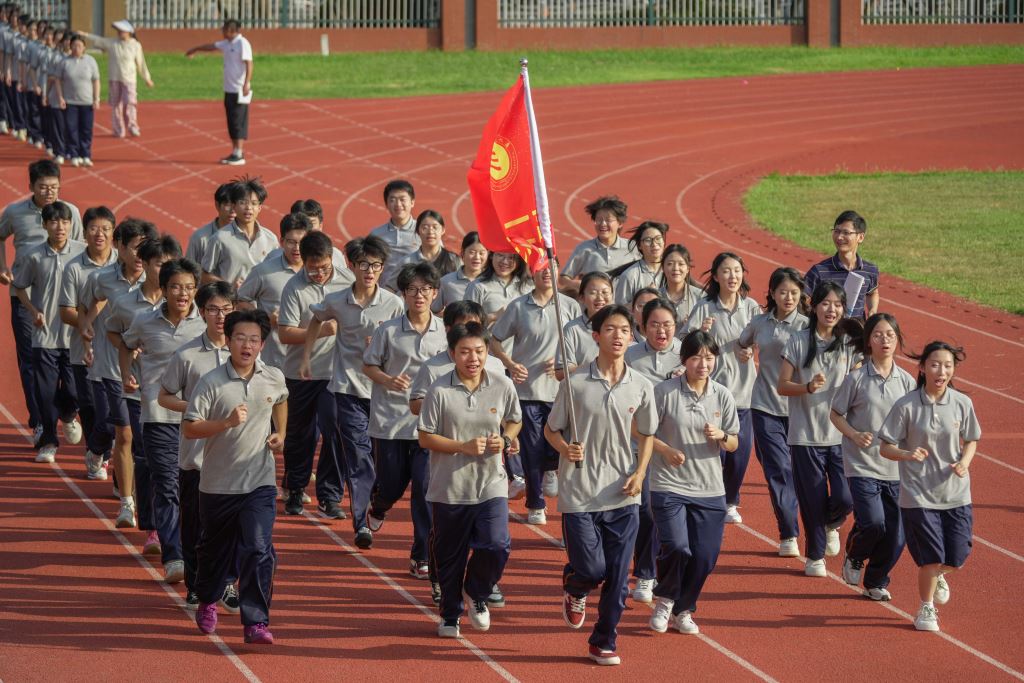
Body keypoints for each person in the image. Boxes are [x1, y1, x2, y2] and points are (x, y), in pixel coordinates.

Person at [544, 304, 657, 666]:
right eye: (610, 329)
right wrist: (565, 448)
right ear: (596, 336)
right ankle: (575, 585)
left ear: (631, 336)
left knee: (619, 578)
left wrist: (640, 473)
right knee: (593, 570)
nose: (618, 335)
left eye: (624, 329)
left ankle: (603, 640)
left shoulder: (641, 386)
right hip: (579, 492)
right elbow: (551, 430)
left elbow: (648, 434)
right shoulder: (575, 384)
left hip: (623, 494)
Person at [185, 309, 287, 645]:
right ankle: (207, 598)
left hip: (259, 481)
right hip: (217, 484)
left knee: (258, 548)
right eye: (240, 338)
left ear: (262, 344)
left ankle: (256, 622)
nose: (247, 345)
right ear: (228, 340)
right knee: (214, 552)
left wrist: (281, 433)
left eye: (254, 339)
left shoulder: (273, 376)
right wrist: (226, 423)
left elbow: (281, 400)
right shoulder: (211, 382)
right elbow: (190, 427)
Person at [420, 322, 523, 638]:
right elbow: (425, 437)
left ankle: (477, 591)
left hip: (491, 482)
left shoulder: (502, 384)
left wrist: (505, 439)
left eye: (479, 351)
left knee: (497, 543)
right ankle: (450, 614)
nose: (473, 358)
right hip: (450, 486)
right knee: (450, 557)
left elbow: (514, 420)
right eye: (465, 351)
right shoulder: (439, 390)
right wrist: (461, 447)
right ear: (452, 353)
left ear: (488, 351)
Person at [301, 235, 403, 546]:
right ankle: (361, 525)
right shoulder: (337, 300)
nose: (369, 271)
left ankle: (377, 504)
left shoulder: (393, 304)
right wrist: (306, 357)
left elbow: (403, 342)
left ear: (382, 268)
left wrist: (383, 347)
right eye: (363, 265)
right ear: (352, 266)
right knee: (358, 458)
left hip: (382, 393)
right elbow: (316, 320)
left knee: (384, 463)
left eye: (375, 265)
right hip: (347, 389)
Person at [879, 341, 980, 633]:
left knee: (957, 556)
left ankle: (939, 575)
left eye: (948, 366)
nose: (942, 371)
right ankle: (926, 607)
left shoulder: (962, 403)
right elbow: (885, 446)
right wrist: (907, 454)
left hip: (955, 492)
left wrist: (965, 462)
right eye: (935, 365)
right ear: (922, 368)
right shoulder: (906, 405)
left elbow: (971, 439)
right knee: (931, 557)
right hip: (918, 494)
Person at [647, 330, 739, 636]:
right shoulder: (664, 392)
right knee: (677, 546)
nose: (703, 364)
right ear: (684, 359)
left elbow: (734, 443)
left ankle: (683, 609)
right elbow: (642, 432)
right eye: (697, 357)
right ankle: (665, 599)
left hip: (709, 488)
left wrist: (722, 436)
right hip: (668, 483)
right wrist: (666, 450)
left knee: (705, 556)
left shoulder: (722, 395)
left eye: (709, 357)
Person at [121, 257, 206, 583]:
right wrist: (127, 373)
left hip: (197, 421)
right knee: (167, 486)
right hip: (158, 418)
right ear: (164, 289)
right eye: (175, 287)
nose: (182, 294)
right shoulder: (145, 321)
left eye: (188, 287)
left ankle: (196, 552)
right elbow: (125, 344)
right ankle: (174, 557)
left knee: (193, 490)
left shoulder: (206, 325)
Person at [362, 262, 448, 579]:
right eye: (412, 290)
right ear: (403, 294)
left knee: (424, 490)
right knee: (391, 484)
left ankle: (421, 555)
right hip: (390, 421)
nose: (418, 295)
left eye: (425, 289)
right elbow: (369, 366)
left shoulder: (445, 333)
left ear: (435, 293)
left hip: (428, 426)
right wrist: (388, 380)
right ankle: (379, 504)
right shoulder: (387, 330)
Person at [158, 281, 235, 609]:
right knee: (194, 526)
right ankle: (195, 583)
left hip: (234, 459)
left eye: (227, 309)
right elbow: (164, 395)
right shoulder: (187, 355)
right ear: (201, 312)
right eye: (214, 309)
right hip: (196, 458)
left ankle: (227, 582)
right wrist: (192, 406)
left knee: (231, 528)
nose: (221, 316)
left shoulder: (245, 352)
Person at [777, 282, 861, 577]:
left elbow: (859, 380)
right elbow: (782, 385)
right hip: (805, 436)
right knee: (812, 500)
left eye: (838, 304)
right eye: (826, 303)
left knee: (845, 497)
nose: (831, 310)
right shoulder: (798, 340)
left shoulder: (849, 343)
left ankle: (832, 523)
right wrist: (808, 387)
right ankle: (815, 557)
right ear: (814, 307)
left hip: (840, 435)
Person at [831, 313, 915, 601]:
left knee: (897, 534)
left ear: (898, 339)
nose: (884, 340)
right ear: (868, 341)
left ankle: (876, 580)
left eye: (890, 335)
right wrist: (854, 435)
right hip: (862, 464)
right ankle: (855, 555)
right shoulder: (856, 378)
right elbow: (836, 414)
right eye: (878, 335)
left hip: (895, 468)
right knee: (874, 522)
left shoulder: (907, 382)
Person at [105, 233, 180, 550]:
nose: (165, 269)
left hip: (180, 400)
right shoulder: (127, 304)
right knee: (148, 458)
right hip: (142, 394)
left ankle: (169, 527)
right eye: (159, 263)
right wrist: (128, 364)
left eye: (170, 263)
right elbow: (112, 331)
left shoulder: (185, 305)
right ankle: (153, 526)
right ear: (146, 265)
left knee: (177, 467)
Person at [79, 218, 156, 525]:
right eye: (134, 247)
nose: (139, 255)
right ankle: (127, 504)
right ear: (120, 247)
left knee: (142, 439)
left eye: (144, 248)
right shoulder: (103, 278)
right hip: (112, 367)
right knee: (124, 433)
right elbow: (89, 304)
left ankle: (125, 481)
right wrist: (86, 328)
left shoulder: (158, 280)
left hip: (149, 372)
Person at [0, 159, 83, 446]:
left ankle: (68, 412)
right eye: (43, 187)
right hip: (25, 298)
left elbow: (81, 252)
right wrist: (2, 266)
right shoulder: (15, 212)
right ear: (31, 186)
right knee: (30, 362)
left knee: (70, 361)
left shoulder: (70, 213)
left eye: (54, 187)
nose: (49, 192)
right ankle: (39, 422)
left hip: (63, 299)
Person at [491, 262, 581, 525]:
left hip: (562, 392)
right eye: (540, 268)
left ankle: (551, 468)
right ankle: (535, 504)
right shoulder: (519, 306)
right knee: (531, 449)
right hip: (528, 391)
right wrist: (510, 364)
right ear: (532, 272)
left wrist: (564, 362)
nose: (546, 272)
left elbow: (580, 343)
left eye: (551, 267)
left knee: (558, 448)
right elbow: (495, 340)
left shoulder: (570, 306)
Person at [277, 230, 352, 518]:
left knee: (336, 429)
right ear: (304, 262)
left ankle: (330, 496)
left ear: (332, 258)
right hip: (302, 373)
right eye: (313, 268)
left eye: (324, 267)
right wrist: (323, 330)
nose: (319, 273)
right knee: (301, 434)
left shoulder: (348, 280)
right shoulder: (294, 288)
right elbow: (285, 333)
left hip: (336, 372)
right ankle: (295, 488)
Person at [685, 252, 762, 525]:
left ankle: (730, 501)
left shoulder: (751, 307)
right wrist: (700, 332)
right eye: (726, 271)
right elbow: (684, 342)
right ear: (716, 276)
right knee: (712, 452)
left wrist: (751, 348)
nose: (733, 276)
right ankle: (710, 499)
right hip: (712, 393)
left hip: (744, 393)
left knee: (739, 454)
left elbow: (763, 338)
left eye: (737, 270)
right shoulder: (705, 307)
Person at [738, 267, 809, 558]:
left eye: (794, 292)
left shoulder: (808, 326)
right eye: (783, 292)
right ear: (772, 293)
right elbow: (742, 342)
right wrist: (743, 351)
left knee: (804, 474)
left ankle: (825, 524)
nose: (788, 297)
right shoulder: (759, 322)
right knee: (778, 470)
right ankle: (788, 532)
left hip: (800, 409)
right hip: (765, 406)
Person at [12, 201, 85, 463]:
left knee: (75, 391)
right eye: (54, 222)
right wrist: (33, 311)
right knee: (45, 392)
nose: (60, 227)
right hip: (44, 336)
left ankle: (68, 414)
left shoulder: (82, 252)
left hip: (75, 336)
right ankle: (49, 442)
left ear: (71, 224)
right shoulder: (33, 255)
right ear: (44, 225)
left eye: (65, 222)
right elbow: (19, 286)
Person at [622, 298, 683, 605]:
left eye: (667, 325)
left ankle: (666, 574)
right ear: (642, 327)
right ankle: (645, 574)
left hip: (677, 450)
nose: (661, 331)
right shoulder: (629, 356)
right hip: (639, 448)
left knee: (670, 518)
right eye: (654, 325)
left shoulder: (687, 354)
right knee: (646, 510)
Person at [59, 205, 118, 479]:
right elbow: (66, 311)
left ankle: (99, 452)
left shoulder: (122, 265)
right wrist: (86, 324)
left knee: (114, 410)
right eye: (94, 228)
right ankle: (98, 454)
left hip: (117, 352)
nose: (100, 234)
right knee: (91, 407)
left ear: (113, 233)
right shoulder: (74, 268)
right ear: (84, 232)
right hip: (84, 351)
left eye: (106, 229)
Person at [237, 212, 312, 370]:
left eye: (302, 242)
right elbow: (240, 300)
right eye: (291, 242)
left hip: (313, 362)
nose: (297, 248)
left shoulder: (318, 272)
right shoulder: (264, 271)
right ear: (282, 241)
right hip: (276, 361)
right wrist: (265, 318)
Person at [184, 18, 252, 165]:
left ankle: (239, 154)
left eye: (224, 30)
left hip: (239, 89)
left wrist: (246, 83)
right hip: (228, 89)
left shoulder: (242, 43)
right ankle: (235, 152)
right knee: (231, 121)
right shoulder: (227, 43)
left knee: (238, 121)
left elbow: (249, 63)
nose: (222, 32)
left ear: (231, 30)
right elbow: (211, 46)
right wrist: (195, 49)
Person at [201, 177, 278, 290]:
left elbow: (276, 272)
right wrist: (228, 287)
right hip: (231, 300)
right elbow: (204, 274)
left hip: (260, 300)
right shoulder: (219, 239)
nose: (248, 208)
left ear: (260, 207)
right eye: (243, 203)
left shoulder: (270, 239)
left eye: (254, 203)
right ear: (234, 206)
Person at [82, 19, 153, 138]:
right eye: (118, 31)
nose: (120, 33)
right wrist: (85, 35)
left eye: (122, 31)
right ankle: (118, 129)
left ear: (129, 32)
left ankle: (132, 126)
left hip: (129, 79)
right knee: (115, 104)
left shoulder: (135, 45)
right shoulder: (112, 43)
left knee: (130, 103)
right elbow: (99, 40)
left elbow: (141, 63)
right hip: (114, 78)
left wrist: (147, 78)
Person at [804, 210, 879, 320]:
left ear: (860, 237)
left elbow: (872, 293)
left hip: (857, 329)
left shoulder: (870, 270)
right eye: (837, 231)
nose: (839, 237)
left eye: (846, 233)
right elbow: (803, 299)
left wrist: (872, 310)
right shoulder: (819, 271)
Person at [559, 195, 634, 294]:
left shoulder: (632, 248)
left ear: (620, 223)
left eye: (608, 220)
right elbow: (563, 279)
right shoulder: (584, 249)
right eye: (598, 219)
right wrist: (578, 285)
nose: (603, 224)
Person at [555, 271, 612, 381]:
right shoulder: (572, 329)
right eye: (593, 293)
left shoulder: (622, 327)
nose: (600, 298)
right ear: (581, 298)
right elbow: (561, 372)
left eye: (605, 292)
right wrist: (596, 368)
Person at [54, 34, 99, 167]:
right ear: (70, 46)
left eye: (79, 45)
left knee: (86, 130)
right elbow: (57, 80)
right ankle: (74, 154)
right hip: (70, 102)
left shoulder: (90, 61)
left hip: (87, 102)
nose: (76, 48)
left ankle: (85, 155)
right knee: (71, 129)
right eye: (74, 45)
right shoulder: (64, 62)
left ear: (84, 47)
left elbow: (96, 80)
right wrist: (60, 97)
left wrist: (96, 98)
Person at [388, 209, 460, 290]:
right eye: (425, 228)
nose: (430, 231)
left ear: (443, 230)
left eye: (435, 227)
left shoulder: (453, 260)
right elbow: (390, 288)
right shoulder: (407, 262)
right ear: (418, 231)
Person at [369, 179, 418, 289]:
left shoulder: (423, 232)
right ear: (386, 204)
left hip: (415, 293)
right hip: (385, 293)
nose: (398, 204)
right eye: (392, 200)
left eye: (402, 199)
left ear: (412, 202)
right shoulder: (376, 235)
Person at [464, 250, 534, 328]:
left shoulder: (528, 287)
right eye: (500, 255)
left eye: (511, 258)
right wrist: (494, 316)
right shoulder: (477, 286)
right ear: (491, 256)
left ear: (519, 261)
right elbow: (465, 324)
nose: (505, 261)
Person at [613, 221, 667, 307]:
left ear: (663, 242)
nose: (654, 244)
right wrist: (643, 299)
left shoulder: (672, 271)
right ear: (639, 246)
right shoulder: (629, 276)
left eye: (658, 238)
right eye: (648, 240)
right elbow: (620, 309)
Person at [432, 231, 487, 315]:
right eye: (472, 252)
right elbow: (433, 311)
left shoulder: (492, 282)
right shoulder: (446, 282)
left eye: (481, 253)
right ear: (463, 253)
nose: (477, 257)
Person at [185, 182, 235, 267]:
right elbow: (188, 269)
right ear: (217, 205)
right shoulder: (199, 238)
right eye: (228, 205)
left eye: (236, 205)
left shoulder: (248, 237)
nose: (233, 211)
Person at [658, 244, 703, 333]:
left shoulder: (700, 297)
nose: (675, 268)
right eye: (670, 264)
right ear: (663, 267)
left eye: (681, 264)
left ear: (688, 268)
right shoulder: (655, 297)